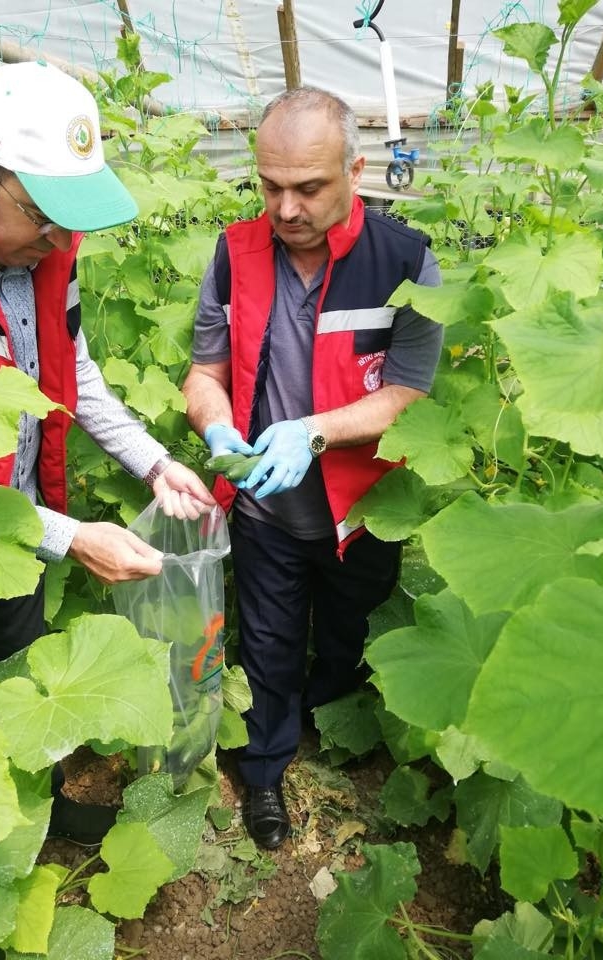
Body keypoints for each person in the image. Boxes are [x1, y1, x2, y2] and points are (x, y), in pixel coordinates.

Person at [0, 61, 215, 842]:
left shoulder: (41, 241)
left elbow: (70, 373)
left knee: (22, 672)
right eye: (44, 216)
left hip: (20, 521)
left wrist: (154, 461)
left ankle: (29, 805)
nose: (63, 239)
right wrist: (67, 536)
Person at [183, 86, 443, 850]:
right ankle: (265, 771)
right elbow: (205, 371)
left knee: (347, 630)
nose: (286, 208)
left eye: (308, 187)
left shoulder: (405, 259)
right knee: (266, 643)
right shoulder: (234, 254)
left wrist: (314, 432)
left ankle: (332, 720)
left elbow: (407, 392)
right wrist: (215, 419)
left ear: (355, 170)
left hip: (363, 506)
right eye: (269, 186)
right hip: (266, 505)